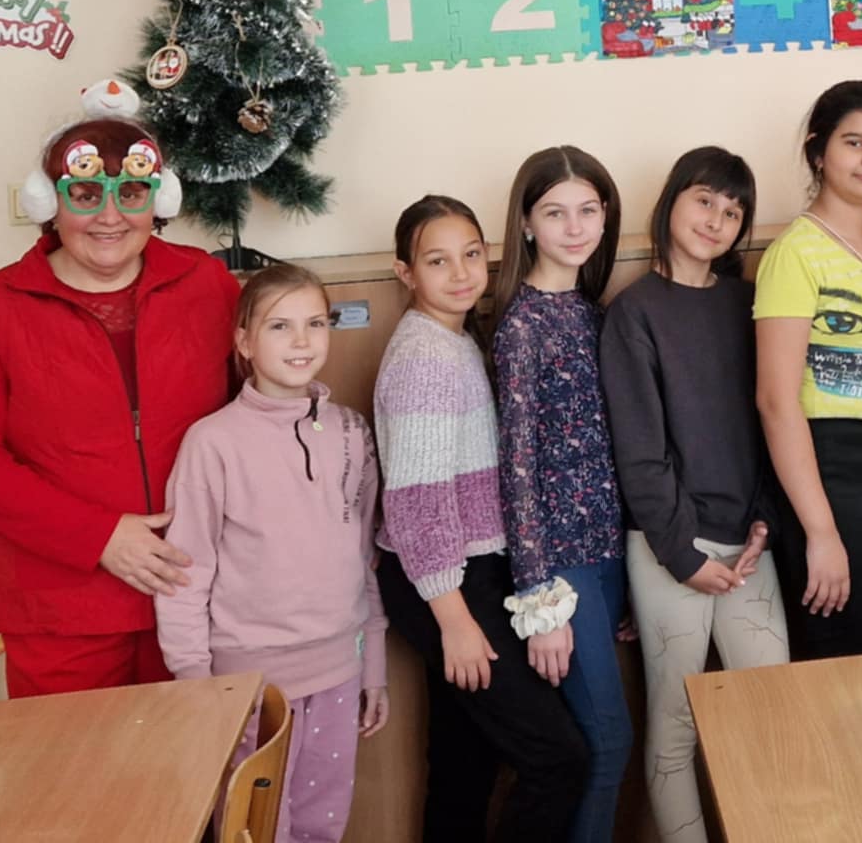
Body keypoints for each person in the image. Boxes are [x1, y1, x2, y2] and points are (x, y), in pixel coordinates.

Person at [0, 78, 236, 698]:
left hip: (200, 594)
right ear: (51, 203)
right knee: (71, 764)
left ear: (158, 200)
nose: (110, 216)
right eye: (87, 194)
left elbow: (258, 417)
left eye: (131, 193)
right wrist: (98, 537)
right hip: (60, 611)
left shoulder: (209, 285)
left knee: (200, 759)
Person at [373, 195, 587, 842]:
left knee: (464, 760)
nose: (461, 272)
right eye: (437, 261)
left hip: (459, 570)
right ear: (406, 272)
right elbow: (417, 508)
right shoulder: (425, 360)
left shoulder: (453, 338)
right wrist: (456, 622)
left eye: (471, 254)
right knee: (558, 758)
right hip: (446, 580)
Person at [156, 263, 387, 843]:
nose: (302, 341)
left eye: (316, 323)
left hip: (338, 671)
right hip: (249, 685)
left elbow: (363, 559)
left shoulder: (352, 432)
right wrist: (197, 683)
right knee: (254, 831)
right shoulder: (212, 443)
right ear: (244, 341)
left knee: (320, 827)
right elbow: (185, 574)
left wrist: (374, 666)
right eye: (280, 326)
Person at [600, 147, 787, 843]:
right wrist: (684, 554)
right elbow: (640, 453)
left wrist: (763, 525)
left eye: (733, 212)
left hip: (750, 543)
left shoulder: (748, 301)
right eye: (705, 200)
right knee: (676, 719)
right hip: (668, 547)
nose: (716, 220)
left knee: (773, 706)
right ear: (672, 200)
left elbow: (770, 419)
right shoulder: (633, 313)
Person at [754, 79, 862, 659]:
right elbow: (776, 402)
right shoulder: (794, 254)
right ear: (817, 151)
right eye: (854, 143)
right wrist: (822, 532)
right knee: (853, 654)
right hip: (838, 469)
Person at [492, 147, 632, 843]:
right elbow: (516, 468)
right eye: (555, 213)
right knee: (606, 743)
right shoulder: (520, 327)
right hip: (560, 570)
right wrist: (540, 601)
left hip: (609, 556)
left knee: (607, 743)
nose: (574, 228)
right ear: (526, 224)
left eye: (587, 211)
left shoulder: (592, 313)